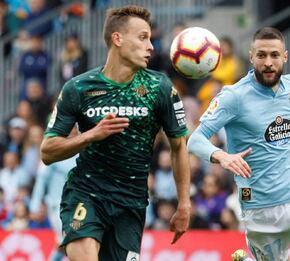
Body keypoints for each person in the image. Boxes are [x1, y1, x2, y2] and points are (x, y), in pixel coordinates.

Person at [188, 27, 290, 261]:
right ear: (251, 57)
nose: (268, 62)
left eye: (274, 55)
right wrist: (223, 157)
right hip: (260, 206)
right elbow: (195, 140)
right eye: (262, 55)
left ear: (284, 56)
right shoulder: (233, 97)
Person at [40, 5, 191, 261]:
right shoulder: (78, 88)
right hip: (86, 193)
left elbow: (178, 147)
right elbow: (47, 151)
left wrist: (184, 203)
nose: (151, 46)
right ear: (117, 39)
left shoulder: (160, 87)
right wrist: (90, 135)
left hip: (131, 203)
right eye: (143, 37)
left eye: (150, 38)